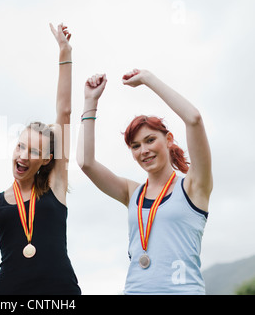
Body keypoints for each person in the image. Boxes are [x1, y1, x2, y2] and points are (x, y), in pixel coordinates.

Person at [77, 69, 213, 294]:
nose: (144, 150)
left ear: (168, 139)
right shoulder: (132, 193)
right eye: (136, 146)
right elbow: (85, 163)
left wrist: (148, 79)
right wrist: (90, 101)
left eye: (150, 140)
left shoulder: (193, 186)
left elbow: (194, 119)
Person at [0, 23, 81, 295]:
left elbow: (64, 112)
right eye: (20, 146)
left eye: (32, 151)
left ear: (46, 160)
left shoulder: (55, 187)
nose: (22, 155)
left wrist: (64, 53)